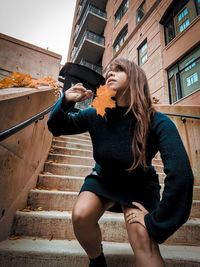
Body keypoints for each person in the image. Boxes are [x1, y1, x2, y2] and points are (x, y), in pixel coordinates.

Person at [47, 58, 194, 267]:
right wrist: (66, 101)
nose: (110, 74)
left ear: (135, 78)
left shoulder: (157, 121)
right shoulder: (96, 113)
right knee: (80, 215)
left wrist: (158, 220)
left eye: (119, 70)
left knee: (143, 240)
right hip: (103, 180)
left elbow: (181, 175)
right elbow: (57, 126)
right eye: (109, 71)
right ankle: (97, 260)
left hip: (139, 185)